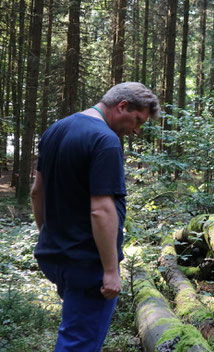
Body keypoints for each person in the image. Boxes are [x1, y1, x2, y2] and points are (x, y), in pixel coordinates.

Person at [31, 82, 160, 351]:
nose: (136, 130)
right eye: (137, 120)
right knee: (79, 344)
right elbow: (101, 210)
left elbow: (36, 192)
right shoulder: (105, 140)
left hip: (55, 257)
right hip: (87, 264)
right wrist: (111, 272)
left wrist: (48, 236)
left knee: (74, 330)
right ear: (122, 106)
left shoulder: (55, 130)